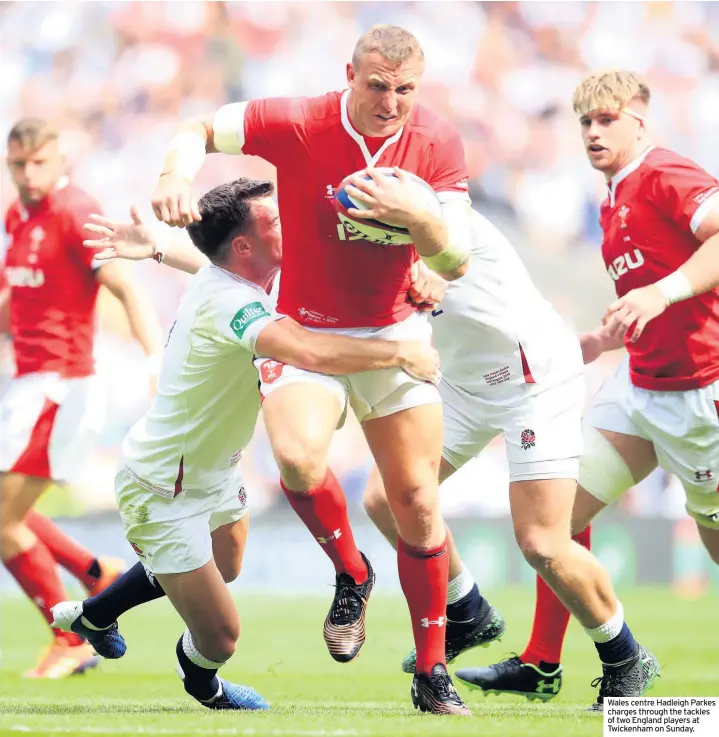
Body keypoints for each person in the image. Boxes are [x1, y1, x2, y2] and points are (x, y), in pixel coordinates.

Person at [150, 24, 474, 715]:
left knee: (416, 500)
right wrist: (175, 172)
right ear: (349, 75)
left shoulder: (437, 140)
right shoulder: (298, 121)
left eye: (405, 90)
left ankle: (431, 670)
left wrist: (425, 229)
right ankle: (352, 572)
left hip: (394, 324)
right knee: (296, 458)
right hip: (308, 327)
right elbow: (197, 127)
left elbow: (456, 261)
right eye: (378, 86)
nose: (391, 103)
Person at [51, 178, 440, 711]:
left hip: (215, 470)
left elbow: (208, 268)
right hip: (164, 485)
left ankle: (96, 614)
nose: (291, 226)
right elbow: (307, 350)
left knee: (226, 565)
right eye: (275, 222)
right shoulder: (232, 304)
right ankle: (202, 684)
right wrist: (399, 353)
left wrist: (160, 248)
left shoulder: (240, 277)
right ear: (243, 247)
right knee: (223, 637)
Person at [456, 69, 719, 708]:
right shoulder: (611, 197)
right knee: (554, 522)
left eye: (607, 119)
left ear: (639, 120)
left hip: (701, 396)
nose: (594, 132)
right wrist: (608, 337)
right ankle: (544, 662)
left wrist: (662, 291)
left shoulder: (665, 174)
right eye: (586, 122)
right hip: (638, 388)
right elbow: (654, 300)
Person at [360, 202, 658, 710]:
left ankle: (625, 656)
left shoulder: (446, 215)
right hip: (462, 386)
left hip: (531, 381)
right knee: (387, 499)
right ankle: (467, 608)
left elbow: (452, 270)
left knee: (542, 542)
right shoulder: (368, 234)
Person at [0, 118, 163, 679]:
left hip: (61, 385)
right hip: (28, 383)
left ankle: (70, 638)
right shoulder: (18, 215)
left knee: (2, 520)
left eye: (37, 163)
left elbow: (125, 286)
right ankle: (96, 573)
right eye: (17, 164)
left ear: (58, 158)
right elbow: (13, 303)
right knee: (6, 510)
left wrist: (154, 361)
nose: (27, 174)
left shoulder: (74, 211)